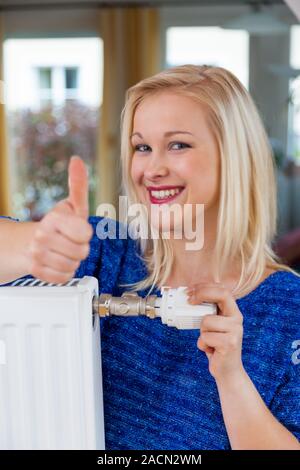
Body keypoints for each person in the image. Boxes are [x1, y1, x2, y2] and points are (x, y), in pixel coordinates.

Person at [0, 65, 299, 450]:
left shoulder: (289, 309)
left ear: (233, 156)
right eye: (142, 147)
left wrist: (231, 376)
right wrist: (36, 242)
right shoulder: (106, 255)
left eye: (178, 145)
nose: (152, 169)